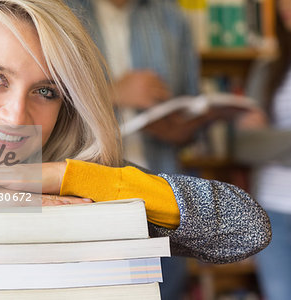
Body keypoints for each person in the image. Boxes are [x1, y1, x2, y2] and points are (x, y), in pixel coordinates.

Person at [0, 0, 270, 299]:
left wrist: (71, 176)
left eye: (46, 90)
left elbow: (246, 229)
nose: (16, 116)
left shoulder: (88, 180)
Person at [64, 1, 202, 298]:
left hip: (159, 191)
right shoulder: (64, 9)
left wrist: (183, 125)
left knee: (165, 290)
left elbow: (191, 106)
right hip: (87, 196)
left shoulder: (172, 17)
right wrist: (113, 92)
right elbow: (46, 100)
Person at [234, 0, 291, 299]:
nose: (285, 4)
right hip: (270, 212)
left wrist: (271, 140)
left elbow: (261, 142)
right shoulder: (268, 68)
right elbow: (245, 146)